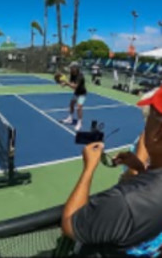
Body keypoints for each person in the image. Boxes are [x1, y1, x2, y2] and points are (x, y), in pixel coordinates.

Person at [62, 86, 162, 257]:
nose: (144, 126)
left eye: (148, 118)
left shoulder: (125, 202)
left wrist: (89, 169)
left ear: (157, 133)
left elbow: (70, 225)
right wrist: (140, 168)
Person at [59, 62, 87, 131]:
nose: (70, 69)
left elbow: (74, 86)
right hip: (76, 93)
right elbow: (71, 83)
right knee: (71, 104)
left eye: (71, 67)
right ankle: (70, 119)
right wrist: (65, 84)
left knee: (79, 107)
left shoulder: (80, 76)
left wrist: (66, 82)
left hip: (82, 94)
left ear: (75, 68)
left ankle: (79, 123)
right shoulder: (72, 74)